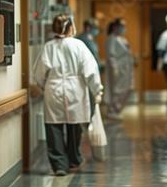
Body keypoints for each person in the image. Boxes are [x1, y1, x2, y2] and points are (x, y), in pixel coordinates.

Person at [33, 14, 103, 176]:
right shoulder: (79, 45)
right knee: (75, 125)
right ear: (71, 27)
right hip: (76, 90)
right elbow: (91, 70)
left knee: (53, 127)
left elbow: (39, 73)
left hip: (54, 89)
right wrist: (97, 90)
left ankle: (58, 165)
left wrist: (43, 86)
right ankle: (74, 159)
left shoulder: (48, 47)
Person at [104, 18, 134, 121]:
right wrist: (115, 68)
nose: (124, 28)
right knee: (116, 90)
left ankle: (117, 109)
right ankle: (112, 109)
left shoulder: (121, 39)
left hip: (125, 69)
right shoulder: (112, 38)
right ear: (115, 27)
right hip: (117, 70)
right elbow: (111, 55)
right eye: (122, 26)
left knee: (128, 88)